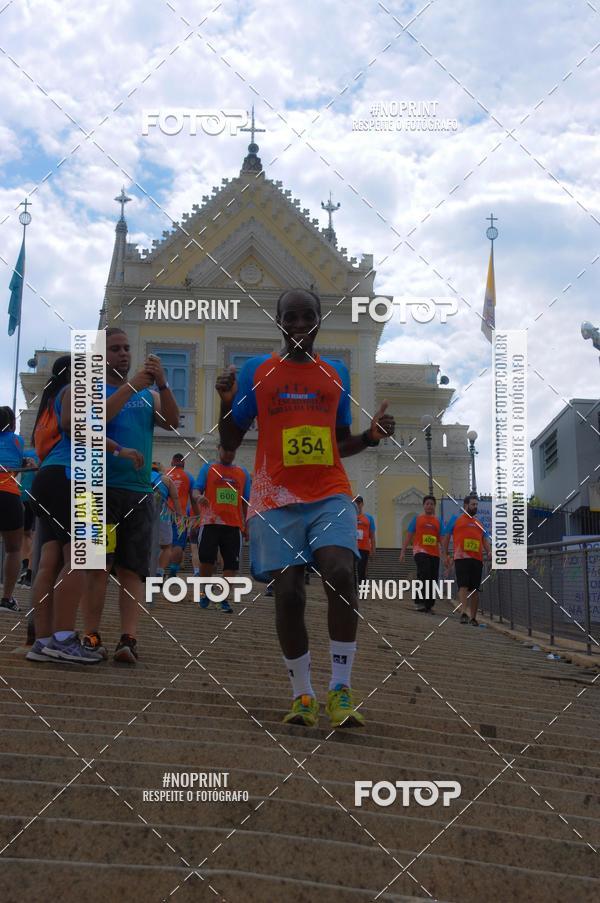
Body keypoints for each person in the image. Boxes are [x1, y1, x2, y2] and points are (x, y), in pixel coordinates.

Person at [216, 288, 395, 728]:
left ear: (319, 320)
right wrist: (226, 403)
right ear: (278, 320)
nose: (299, 324)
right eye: (290, 316)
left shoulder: (335, 373)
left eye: (307, 316)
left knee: (341, 572)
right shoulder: (258, 371)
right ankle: (302, 694)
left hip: (328, 492)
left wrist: (371, 437)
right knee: (290, 593)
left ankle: (340, 689)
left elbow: (339, 443)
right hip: (275, 497)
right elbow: (231, 441)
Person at [82, 331, 179, 663]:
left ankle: (129, 638)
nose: (123, 353)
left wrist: (162, 384)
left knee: (133, 569)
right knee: (96, 566)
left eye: (126, 348)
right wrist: (131, 387)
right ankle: (91, 635)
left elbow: (172, 422)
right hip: (96, 490)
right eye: (114, 349)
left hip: (138, 492)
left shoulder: (148, 395)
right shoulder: (91, 390)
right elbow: (95, 421)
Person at [192, 444, 251, 613]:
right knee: (206, 559)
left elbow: (245, 502)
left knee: (231, 564)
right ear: (219, 448)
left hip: (233, 525)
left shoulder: (243, 473)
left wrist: (246, 525)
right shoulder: (208, 468)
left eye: (232, 450)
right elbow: (196, 490)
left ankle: (222, 598)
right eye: (226, 449)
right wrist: (199, 497)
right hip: (210, 522)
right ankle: (204, 592)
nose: (229, 453)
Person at [442, 494, 491, 626]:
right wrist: (445, 554)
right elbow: (446, 537)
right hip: (461, 558)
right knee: (463, 585)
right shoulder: (455, 519)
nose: (475, 507)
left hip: (477, 559)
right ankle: (464, 612)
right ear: (465, 505)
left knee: (475, 589)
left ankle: (473, 617)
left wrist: (489, 551)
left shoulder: (479, 523)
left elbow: (484, 539)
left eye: (476, 505)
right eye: (473, 504)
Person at [0, 406, 27, 613]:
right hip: (8, 494)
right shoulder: (17, 441)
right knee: (14, 548)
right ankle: (6, 599)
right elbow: (17, 465)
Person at [399, 495, 443, 612]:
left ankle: (429, 605)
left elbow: (441, 539)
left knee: (433, 578)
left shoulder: (438, 521)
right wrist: (403, 552)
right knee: (424, 574)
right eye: (427, 504)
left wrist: (445, 555)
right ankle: (419, 602)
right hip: (420, 551)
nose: (429, 506)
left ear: (434, 506)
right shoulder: (417, 519)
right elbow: (408, 536)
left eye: (431, 504)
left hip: (434, 553)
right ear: (423, 506)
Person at [149, 462, 182, 587]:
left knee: (145, 544)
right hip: (162, 514)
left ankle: (145, 570)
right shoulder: (166, 479)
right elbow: (176, 499)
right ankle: (159, 572)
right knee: (166, 547)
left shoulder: (142, 476)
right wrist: (179, 517)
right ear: (160, 470)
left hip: (144, 512)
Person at [165, 453, 194, 579]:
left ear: (172, 462)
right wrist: (197, 516)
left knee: (163, 544)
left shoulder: (164, 474)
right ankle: (172, 571)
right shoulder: (189, 477)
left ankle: (159, 571)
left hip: (163, 515)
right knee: (178, 545)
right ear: (183, 464)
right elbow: (194, 499)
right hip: (181, 516)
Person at [17, 446, 39, 587]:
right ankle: (27, 569)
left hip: (32, 496)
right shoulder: (24, 453)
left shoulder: (47, 453)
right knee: (27, 534)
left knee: (31, 534)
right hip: (24, 496)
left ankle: (29, 571)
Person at [355, 496, 376, 582]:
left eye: (359, 503)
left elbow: (372, 536)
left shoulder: (369, 518)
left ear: (362, 504)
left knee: (362, 571)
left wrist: (373, 550)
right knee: (351, 572)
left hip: (364, 548)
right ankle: (353, 590)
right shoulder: (350, 517)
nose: (357, 505)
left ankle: (363, 590)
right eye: (356, 503)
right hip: (352, 548)